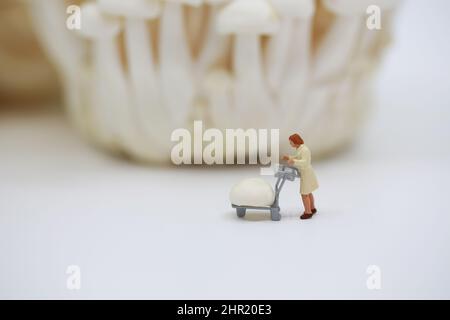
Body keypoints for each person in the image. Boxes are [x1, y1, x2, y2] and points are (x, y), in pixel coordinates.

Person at [283, 133, 319, 220]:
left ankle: (308, 212)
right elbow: (296, 157)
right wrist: (289, 157)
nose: (290, 144)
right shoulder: (299, 148)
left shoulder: (305, 150)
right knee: (308, 192)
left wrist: (293, 162)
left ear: (296, 141)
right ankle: (312, 208)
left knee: (304, 194)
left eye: (291, 142)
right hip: (306, 173)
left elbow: (304, 162)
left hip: (306, 173)